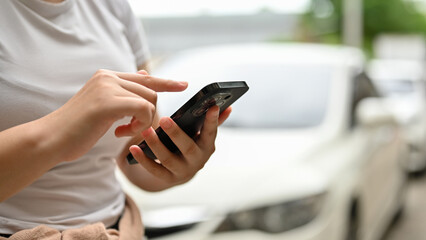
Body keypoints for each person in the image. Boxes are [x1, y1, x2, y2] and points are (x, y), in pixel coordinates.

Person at [0, 0, 231, 239]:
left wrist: (177, 165)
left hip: (118, 230)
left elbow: (133, 158)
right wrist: (60, 130)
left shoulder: (112, 6)